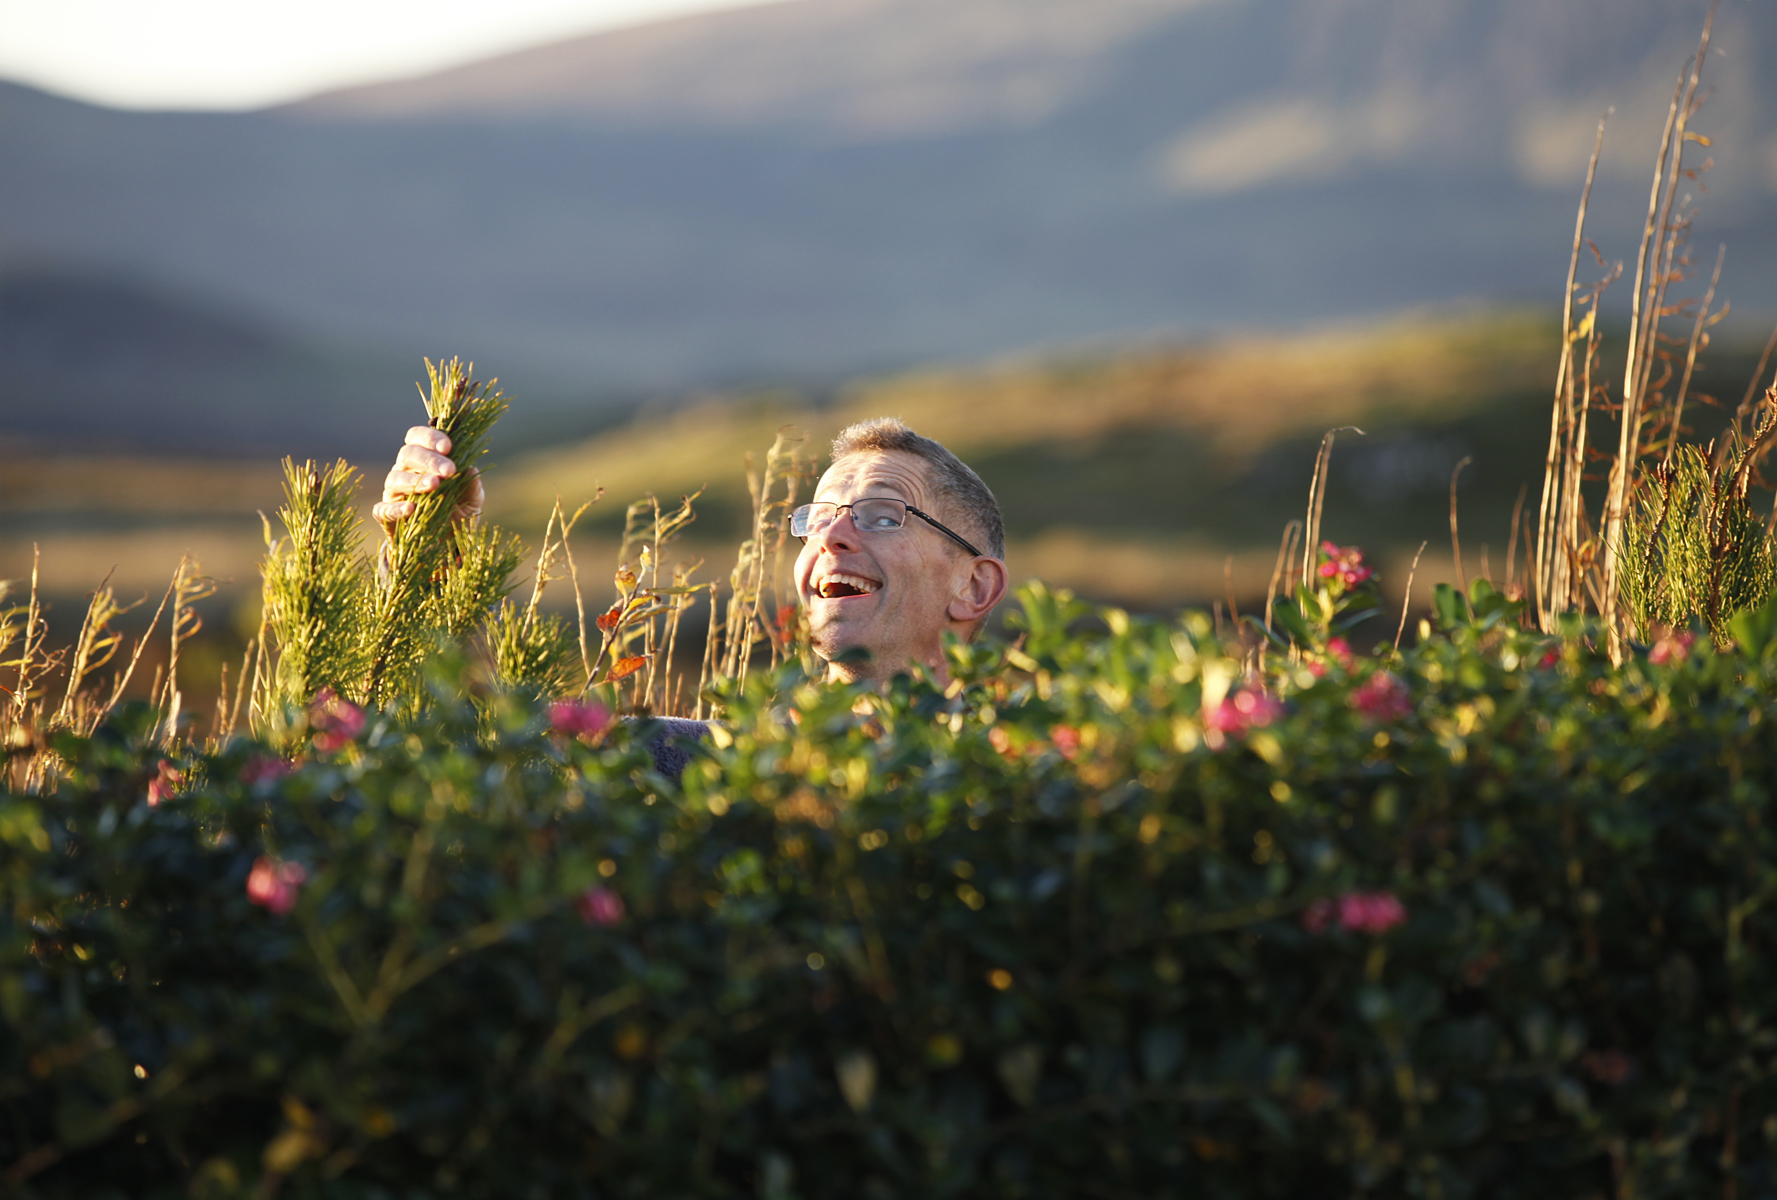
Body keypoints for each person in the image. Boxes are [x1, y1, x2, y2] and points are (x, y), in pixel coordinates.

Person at [377, 416, 1008, 686]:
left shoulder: (1032, 792)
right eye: (818, 518)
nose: (831, 537)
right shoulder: (686, 767)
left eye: (883, 516)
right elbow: (482, 757)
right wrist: (426, 558)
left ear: (974, 587)